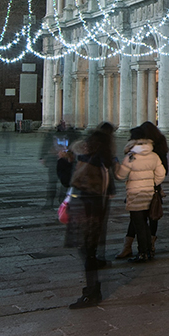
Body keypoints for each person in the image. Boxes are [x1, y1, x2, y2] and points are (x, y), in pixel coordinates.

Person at [66, 123, 115, 308]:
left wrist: (64, 162)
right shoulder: (104, 160)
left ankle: (92, 292)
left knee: (86, 251)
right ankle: (93, 290)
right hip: (95, 210)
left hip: (86, 211)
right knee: (89, 251)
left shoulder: (91, 163)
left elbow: (71, 181)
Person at [114, 122, 167, 262]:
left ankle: (143, 252)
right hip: (149, 192)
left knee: (140, 224)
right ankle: (148, 251)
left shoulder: (131, 156)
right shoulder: (154, 155)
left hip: (135, 194)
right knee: (146, 223)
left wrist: (116, 167)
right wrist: (153, 183)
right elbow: (162, 173)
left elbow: (120, 175)